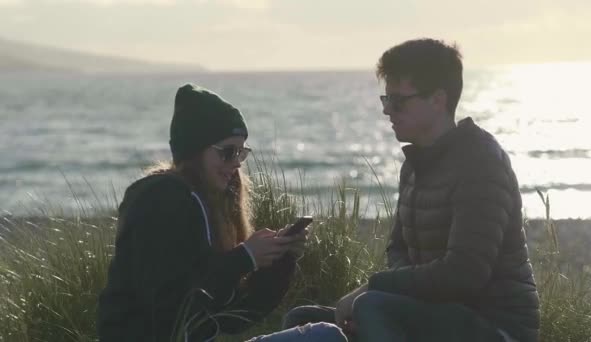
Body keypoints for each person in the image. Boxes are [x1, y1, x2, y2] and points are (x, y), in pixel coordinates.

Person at [283, 39, 540, 342]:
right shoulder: (416, 162)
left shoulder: (479, 161)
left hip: (496, 326)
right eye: (385, 99)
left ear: (438, 99)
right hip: (433, 313)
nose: (388, 111)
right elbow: (399, 249)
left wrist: (374, 288)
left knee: (370, 307)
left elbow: (465, 273)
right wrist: (391, 297)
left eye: (398, 101)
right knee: (304, 320)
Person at [97, 84, 347, 342]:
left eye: (241, 153)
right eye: (227, 152)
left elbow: (236, 318)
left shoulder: (206, 204)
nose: (236, 163)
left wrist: (281, 260)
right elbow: (171, 308)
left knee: (323, 334)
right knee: (324, 336)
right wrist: (245, 257)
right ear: (195, 150)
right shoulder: (161, 200)